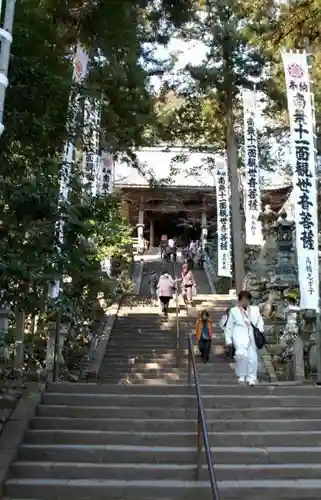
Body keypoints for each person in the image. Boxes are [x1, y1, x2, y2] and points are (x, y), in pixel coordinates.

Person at [225, 290, 264, 386]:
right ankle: (242, 375)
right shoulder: (234, 311)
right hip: (239, 335)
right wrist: (228, 340)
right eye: (243, 300)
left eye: (247, 300)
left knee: (253, 358)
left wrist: (260, 331)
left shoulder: (255, 309)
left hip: (252, 336)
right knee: (241, 356)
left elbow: (260, 321)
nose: (245, 302)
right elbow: (229, 327)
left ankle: (252, 378)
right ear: (239, 300)